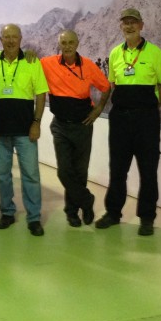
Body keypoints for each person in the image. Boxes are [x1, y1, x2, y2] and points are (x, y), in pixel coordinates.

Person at [95, 8, 161, 236]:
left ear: (142, 25)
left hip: (146, 119)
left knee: (148, 170)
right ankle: (113, 214)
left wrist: (151, 105)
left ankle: (147, 218)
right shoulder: (115, 54)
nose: (129, 26)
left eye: (133, 22)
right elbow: (113, 85)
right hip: (120, 119)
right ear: (121, 26)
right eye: (125, 23)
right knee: (117, 169)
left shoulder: (154, 53)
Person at [0, 24, 49, 236]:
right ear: (0, 39)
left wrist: (36, 122)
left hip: (25, 131)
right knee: (2, 175)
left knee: (31, 175)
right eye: (6, 37)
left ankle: (34, 218)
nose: (10, 41)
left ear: (21, 39)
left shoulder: (32, 61)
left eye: (14, 37)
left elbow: (40, 94)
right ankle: (7, 213)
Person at [40, 30, 110, 227]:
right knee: (64, 171)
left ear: (77, 43)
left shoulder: (87, 65)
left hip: (82, 126)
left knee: (80, 171)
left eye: (71, 42)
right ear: (59, 44)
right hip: (60, 126)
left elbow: (106, 87)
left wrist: (97, 111)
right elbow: (30, 65)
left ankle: (73, 211)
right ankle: (86, 201)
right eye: (64, 42)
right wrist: (27, 53)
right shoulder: (48, 63)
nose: (68, 46)